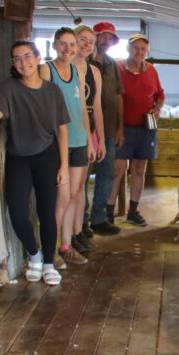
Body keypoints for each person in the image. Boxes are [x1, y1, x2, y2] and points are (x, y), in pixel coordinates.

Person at [0, 41, 69, 286]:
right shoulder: (8, 88)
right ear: (13, 63)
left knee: (46, 212)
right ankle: (34, 254)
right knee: (16, 212)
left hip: (47, 155)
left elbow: (62, 129)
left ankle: (49, 262)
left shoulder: (52, 91)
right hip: (19, 156)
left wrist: (64, 166)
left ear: (38, 57)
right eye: (17, 58)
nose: (23, 62)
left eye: (27, 56)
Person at [39, 27, 94, 267]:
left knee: (73, 194)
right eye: (63, 44)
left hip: (79, 139)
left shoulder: (76, 70)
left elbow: (82, 106)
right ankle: (50, 249)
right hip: (58, 142)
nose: (68, 49)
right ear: (54, 46)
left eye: (72, 44)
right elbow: (42, 106)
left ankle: (66, 246)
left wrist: (90, 139)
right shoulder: (46, 70)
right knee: (61, 197)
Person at [111, 33, 164, 227]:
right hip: (122, 126)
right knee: (117, 169)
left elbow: (160, 94)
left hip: (145, 127)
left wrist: (157, 108)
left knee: (140, 169)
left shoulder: (151, 70)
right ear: (128, 49)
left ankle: (133, 211)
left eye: (143, 49)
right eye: (135, 48)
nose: (139, 52)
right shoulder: (117, 68)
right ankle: (109, 211)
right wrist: (118, 127)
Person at [71, 24, 105, 254]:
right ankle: (71, 233)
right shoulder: (64, 68)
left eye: (90, 42)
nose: (86, 44)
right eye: (81, 39)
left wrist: (100, 139)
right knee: (71, 187)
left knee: (82, 185)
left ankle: (80, 228)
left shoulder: (94, 72)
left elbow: (97, 107)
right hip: (71, 132)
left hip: (89, 131)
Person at [88, 21, 125, 236]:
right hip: (86, 129)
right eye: (103, 36)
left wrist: (121, 127)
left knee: (107, 173)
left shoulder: (113, 64)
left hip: (109, 129)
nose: (106, 41)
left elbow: (119, 96)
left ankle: (98, 217)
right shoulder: (83, 62)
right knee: (81, 175)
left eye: (111, 38)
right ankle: (81, 221)